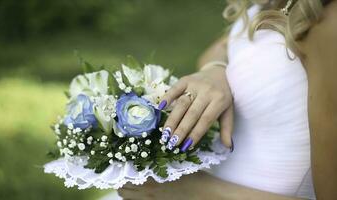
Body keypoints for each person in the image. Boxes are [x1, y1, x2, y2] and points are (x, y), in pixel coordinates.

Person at [117, 0, 337, 199]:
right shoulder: (270, 4)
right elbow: (220, 48)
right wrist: (215, 72)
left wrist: (193, 190)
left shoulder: (328, 22)